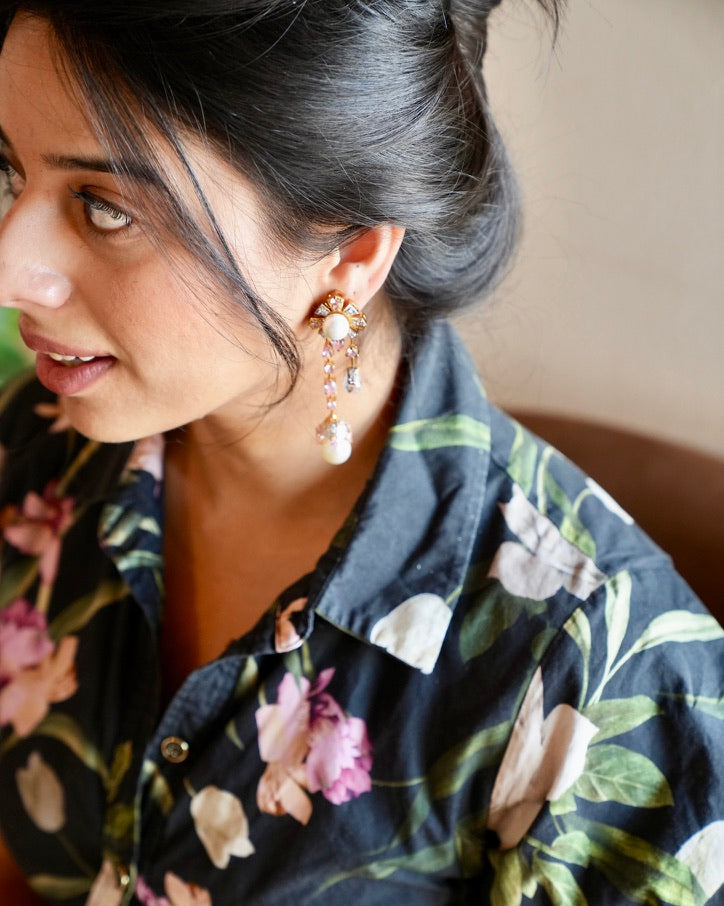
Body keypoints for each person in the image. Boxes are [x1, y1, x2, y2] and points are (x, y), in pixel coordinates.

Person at [0, 1, 721, 904]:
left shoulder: (604, 678)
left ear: (350, 254)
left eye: (104, 208)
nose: (9, 268)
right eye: (10, 172)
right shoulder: (39, 448)